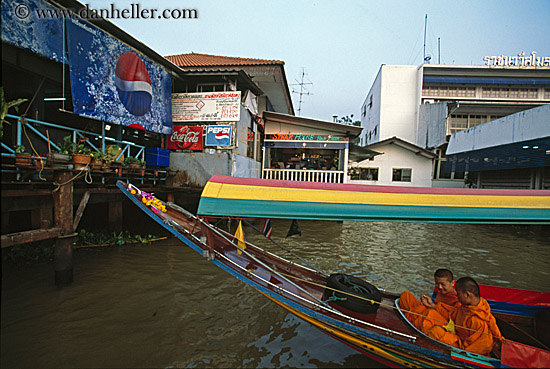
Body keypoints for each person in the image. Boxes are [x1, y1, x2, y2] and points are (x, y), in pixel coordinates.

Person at [425, 276, 503, 356]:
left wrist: (461, 352)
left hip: (464, 348)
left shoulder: (477, 320)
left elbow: (483, 346)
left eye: (458, 294)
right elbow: (452, 315)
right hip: (457, 337)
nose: (457, 297)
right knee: (430, 314)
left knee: (436, 332)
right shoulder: (466, 308)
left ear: (467, 294)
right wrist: (433, 306)